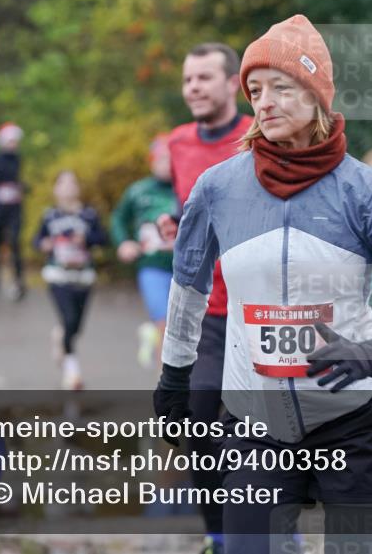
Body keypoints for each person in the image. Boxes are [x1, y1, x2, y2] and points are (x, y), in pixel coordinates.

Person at [153, 15, 372, 553]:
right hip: (257, 426)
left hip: (352, 422)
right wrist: (174, 374)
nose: (264, 102)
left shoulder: (367, 191)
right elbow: (188, 288)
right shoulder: (217, 188)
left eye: (281, 88)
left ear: (316, 97)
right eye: (256, 90)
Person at [157, 42, 253, 554]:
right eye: (187, 79)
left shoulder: (259, 138)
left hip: (261, 309)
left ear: (232, 84)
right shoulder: (177, 142)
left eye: (203, 78)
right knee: (197, 423)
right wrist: (174, 223)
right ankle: (219, 534)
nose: (192, 87)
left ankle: (272, 526)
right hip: (207, 311)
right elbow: (188, 206)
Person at [34, 171, 108, 390]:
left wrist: (86, 239)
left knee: (76, 326)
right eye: (62, 183)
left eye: (72, 183)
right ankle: (72, 371)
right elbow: (37, 240)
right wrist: (43, 244)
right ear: (55, 189)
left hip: (84, 276)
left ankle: (61, 338)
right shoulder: (50, 216)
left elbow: (103, 239)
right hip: (58, 275)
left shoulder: (89, 215)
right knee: (68, 320)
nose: (67, 188)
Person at [111, 134, 178, 367]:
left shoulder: (189, 186)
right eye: (161, 159)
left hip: (186, 270)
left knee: (185, 328)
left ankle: (152, 337)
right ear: (152, 161)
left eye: (171, 158)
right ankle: (167, 387)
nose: (166, 164)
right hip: (153, 268)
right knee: (165, 324)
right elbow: (118, 218)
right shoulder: (138, 191)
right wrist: (123, 242)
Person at [0, 121, 26, 300]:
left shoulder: (18, 159)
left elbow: (18, 180)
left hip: (14, 208)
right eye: (10, 141)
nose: (13, 144)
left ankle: (19, 281)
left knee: (15, 243)